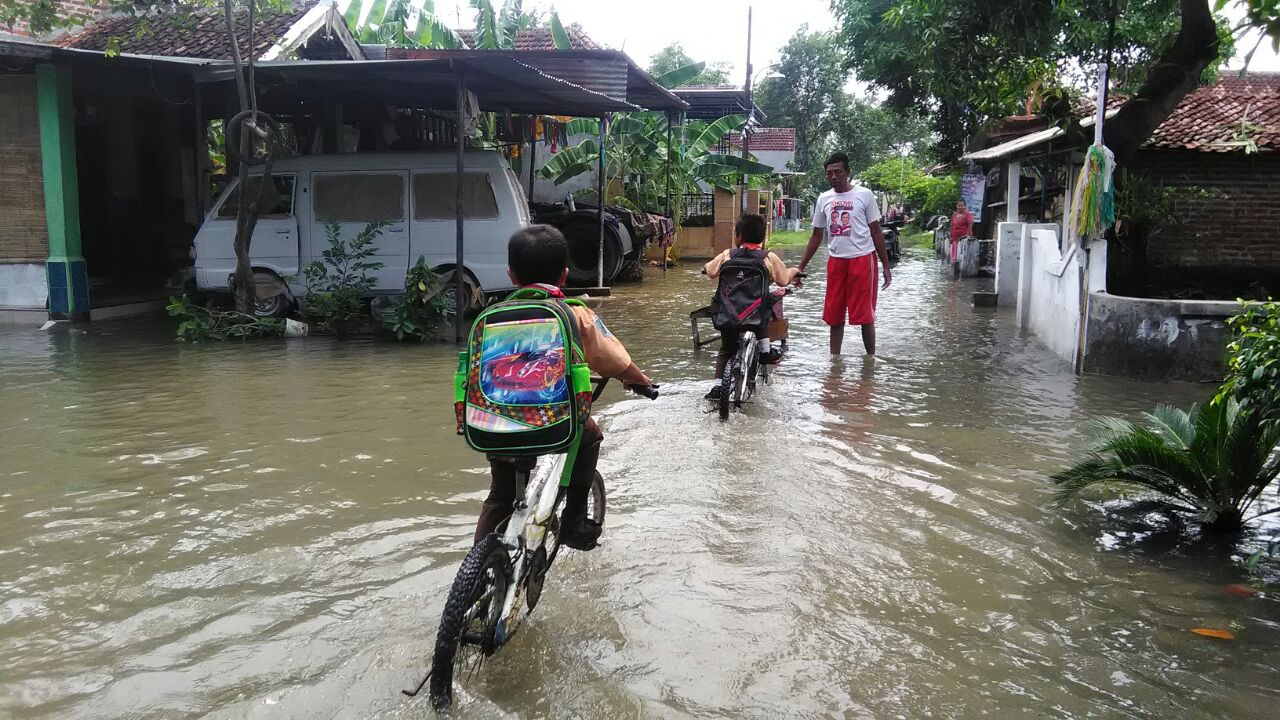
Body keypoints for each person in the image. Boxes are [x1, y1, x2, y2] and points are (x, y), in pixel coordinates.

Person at [472, 225, 654, 551]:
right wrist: (639, 379)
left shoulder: (491, 316)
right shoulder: (574, 313)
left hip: (494, 421)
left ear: (511, 275)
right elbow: (613, 360)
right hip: (554, 421)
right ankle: (573, 523)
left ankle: (476, 572)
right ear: (565, 274)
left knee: (500, 494)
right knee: (591, 434)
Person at [798, 152, 892, 356]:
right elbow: (816, 235)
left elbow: (876, 232)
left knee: (865, 314)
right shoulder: (824, 198)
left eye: (838, 172)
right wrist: (801, 266)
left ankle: (870, 361)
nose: (833, 177)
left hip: (862, 259)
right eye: (829, 173)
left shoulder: (864, 195)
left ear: (848, 172)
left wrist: (885, 266)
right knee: (834, 314)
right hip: (836, 260)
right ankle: (835, 362)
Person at [703, 214, 800, 399]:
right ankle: (765, 350)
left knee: (726, 349)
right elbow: (783, 280)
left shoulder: (727, 255)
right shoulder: (768, 258)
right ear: (762, 238)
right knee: (765, 306)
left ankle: (717, 387)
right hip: (756, 316)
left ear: (738, 236)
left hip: (728, 315)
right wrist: (794, 271)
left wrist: (706, 267)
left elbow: (711, 270)